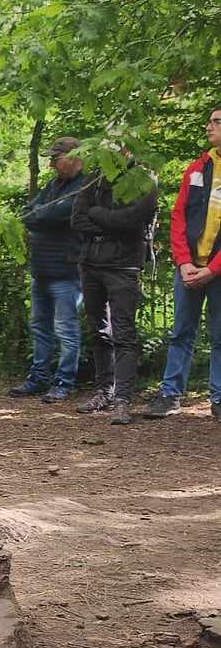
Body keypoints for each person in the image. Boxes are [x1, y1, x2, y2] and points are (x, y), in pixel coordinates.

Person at [70, 153, 158, 426]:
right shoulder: (94, 177)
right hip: (91, 262)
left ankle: (123, 400)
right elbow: (77, 219)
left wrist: (97, 214)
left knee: (124, 333)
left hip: (124, 266)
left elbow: (133, 220)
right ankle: (104, 392)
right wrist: (111, 220)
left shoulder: (145, 178)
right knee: (98, 329)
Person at [146, 106, 221, 422]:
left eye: (216, 122)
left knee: (220, 336)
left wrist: (212, 269)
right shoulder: (197, 168)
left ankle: (218, 399)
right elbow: (178, 216)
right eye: (209, 122)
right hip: (189, 269)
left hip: (216, 271)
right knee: (181, 332)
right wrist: (184, 262)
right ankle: (170, 395)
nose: (209, 127)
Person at [8, 136, 85, 402]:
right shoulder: (54, 185)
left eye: (56, 159)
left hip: (67, 271)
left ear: (74, 156)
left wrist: (41, 214)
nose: (52, 165)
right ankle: (39, 377)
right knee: (40, 327)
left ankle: (65, 382)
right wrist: (42, 214)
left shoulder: (84, 187)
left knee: (65, 329)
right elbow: (30, 213)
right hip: (41, 269)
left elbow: (52, 214)